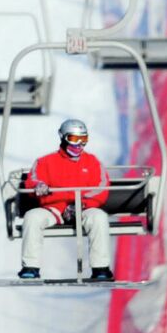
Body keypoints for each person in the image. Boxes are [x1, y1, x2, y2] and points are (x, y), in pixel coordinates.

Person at [17, 118, 115, 281]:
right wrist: (39, 187)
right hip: (54, 207)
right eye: (74, 139)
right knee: (33, 217)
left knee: (98, 217)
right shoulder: (46, 162)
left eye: (83, 139)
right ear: (62, 137)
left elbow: (102, 187)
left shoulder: (92, 162)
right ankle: (30, 267)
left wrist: (83, 203)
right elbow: (32, 179)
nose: (79, 145)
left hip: (84, 207)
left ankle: (101, 268)